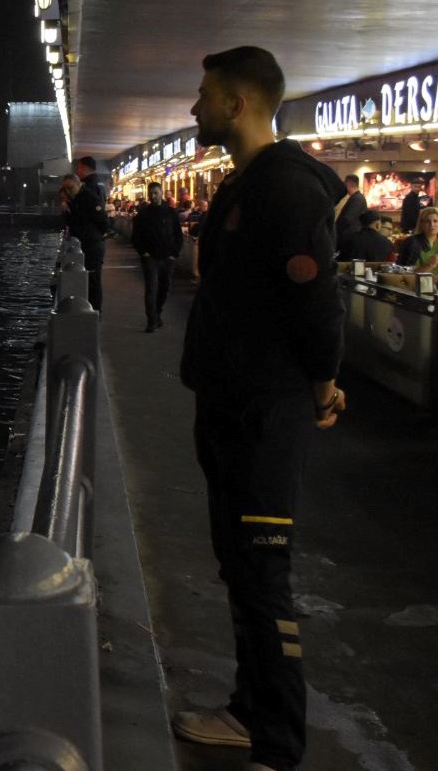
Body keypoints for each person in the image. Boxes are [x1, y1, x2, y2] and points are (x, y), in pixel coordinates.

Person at [172, 46, 347, 771]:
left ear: (238, 104)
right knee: (240, 567)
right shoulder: (247, 185)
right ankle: (249, 710)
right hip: (232, 403)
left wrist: (322, 381)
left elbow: (316, 299)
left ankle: (277, 743)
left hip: (263, 414)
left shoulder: (284, 189)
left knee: (264, 572)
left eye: (205, 95)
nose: (194, 107)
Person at [132, 180, 182, 332]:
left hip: (168, 257)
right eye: (151, 193)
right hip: (150, 257)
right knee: (151, 289)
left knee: (164, 288)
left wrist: (174, 254)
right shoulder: (143, 213)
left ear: (161, 192)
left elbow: (178, 235)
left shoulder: (171, 212)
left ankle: (157, 313)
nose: (153, 196)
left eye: (156, 193)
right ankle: (152, 320)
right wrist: (144, 253)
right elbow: (136, 236)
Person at [64, 155, 110, 310]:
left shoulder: (89, 196)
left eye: (70, 188)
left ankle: (95, 312)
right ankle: (92, 310)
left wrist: (95, 235)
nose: (68, 192)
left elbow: (102, 220)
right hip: (90, 241)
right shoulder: (95, 188)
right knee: (90, 280)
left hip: (92, 244)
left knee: (93, 281)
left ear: (79, 183)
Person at [395, 205, 438, 274]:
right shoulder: (411, 242)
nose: (432, 225)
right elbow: (400, 270)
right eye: (428, 221)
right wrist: (428, 266)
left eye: (435, 221)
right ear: (421, 224)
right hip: (415, 282)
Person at [334, 174, 366, 246]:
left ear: (347, 183)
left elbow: (347, 219)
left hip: (350, 238)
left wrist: (334, 231)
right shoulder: (356, 198)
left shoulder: (357, 199)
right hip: (350, 237)